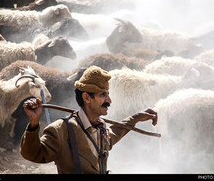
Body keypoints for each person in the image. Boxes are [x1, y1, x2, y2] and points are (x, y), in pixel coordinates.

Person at [20, 65, 158, 174]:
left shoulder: (100, 126)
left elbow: (111, 137)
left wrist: (136, 118)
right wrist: (34, 123)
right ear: (86, 98)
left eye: (108, 94)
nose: (109, 100)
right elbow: (33, 154)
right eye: (103, 95)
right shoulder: (61, 130)